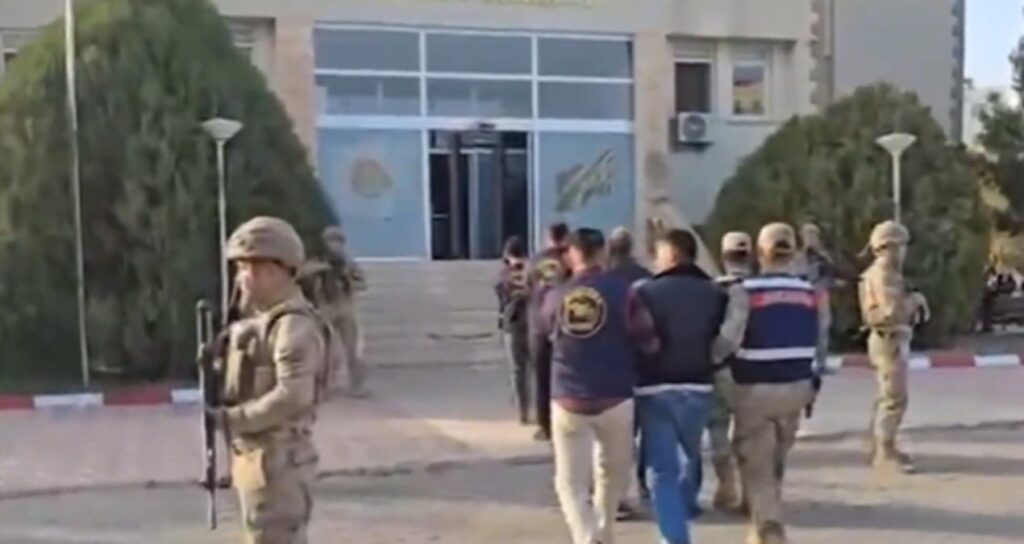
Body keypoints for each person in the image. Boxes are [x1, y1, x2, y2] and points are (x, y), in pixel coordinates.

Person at [537, 227, 659, 544]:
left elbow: (543, 336)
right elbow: (646, 339)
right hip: (615, 395)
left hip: (568, 397)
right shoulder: (625, 292)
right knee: (612, 473)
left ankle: (587, 536)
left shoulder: (556, 296)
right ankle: (604, 532)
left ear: (572, 254)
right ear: (603, 252)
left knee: (569, 482)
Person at [212, 216, 329, 544]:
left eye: (250, 269)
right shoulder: (264, 321)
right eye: (240, 269)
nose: (242, 279)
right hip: (262, 459)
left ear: (277, 270)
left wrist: (233, 419)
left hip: (277, 463)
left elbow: (292, 395)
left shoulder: (293, 326)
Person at [632, 228, 727, 544]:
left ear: (671, 254)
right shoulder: (715, 293)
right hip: (699, 385)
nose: (654, 261)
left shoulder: (645, 292)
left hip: (655, 387)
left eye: (658, 253)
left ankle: (675, 537)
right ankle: (684, 509)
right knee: (690, 453)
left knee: (662, 470)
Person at [730, 223, 819, 544]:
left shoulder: (746, 290)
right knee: (777, 458)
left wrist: (715, 361)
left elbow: (729, 338)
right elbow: (819, 344)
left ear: (760, 252)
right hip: (797, 387)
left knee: (757, 463)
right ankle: (760, 526)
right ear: (792, 252)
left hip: (755, 388)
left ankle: (769, 530)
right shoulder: (809, 292)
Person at [859, 220, 929, 474]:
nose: (903, 251)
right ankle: (885, 451)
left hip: (887, 338)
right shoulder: (884, 274)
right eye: (900, 245)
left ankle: (880, 446)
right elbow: (892, 312)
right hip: (889, 339)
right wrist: (914, 301)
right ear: (886, 247)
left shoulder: (883, 272)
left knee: (887, 395)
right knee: (894, 398)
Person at [605, 226, 652, 520]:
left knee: (615, 440)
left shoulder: (603, 280)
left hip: (613, 367)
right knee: (645, 432)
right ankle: (646, 487)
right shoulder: (645, 277)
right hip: (644, 366)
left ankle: (616, 496)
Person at [707, 231, 754, 514]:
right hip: (753, 371)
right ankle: (749, 493)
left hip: (722, 370)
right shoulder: (760, 288)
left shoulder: (715, 289)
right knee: (749, 435)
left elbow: (726, 335)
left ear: (723, 257)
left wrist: (713, 358)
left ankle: (727, 487)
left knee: (718, 429)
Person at [299, 225, 369, 397]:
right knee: (324, 350)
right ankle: (323, 386)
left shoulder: (348, 262)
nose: (335, 244)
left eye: (338, 240)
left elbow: (362, 283)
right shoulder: (317, 259)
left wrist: (349, 281)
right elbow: (300, 275)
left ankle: (357, 386)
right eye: (331, 240)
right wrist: (319, 269)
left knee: (353, 348)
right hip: (324, 307)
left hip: (345, 306)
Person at [528, 222, 571, 441]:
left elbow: (527, 288)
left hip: (538, 323)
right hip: (564, 323)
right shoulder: (569, 259)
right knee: (563, 375)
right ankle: (564, 420)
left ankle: (544, 425)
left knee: (541, 377)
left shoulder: (536, 260)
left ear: (548, 237)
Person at [495, 235, 533, 424]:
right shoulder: (532, 271)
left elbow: (501, 296)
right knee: (537, 369)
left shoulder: (504, 275)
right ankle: (541, 411)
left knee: (518, 371)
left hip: (514, 325)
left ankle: (523, 411)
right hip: (533, 324)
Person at [798, 223, 836, 375]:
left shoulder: (823, 257)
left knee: (822, 329)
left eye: (813, 234)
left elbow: (831, 273)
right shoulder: (798, 257)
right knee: (803, 330)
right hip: (804, 296)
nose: (811, 238)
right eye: (808, 235)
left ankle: (821, 363)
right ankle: (804, 363)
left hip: (821, 295)